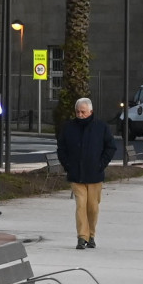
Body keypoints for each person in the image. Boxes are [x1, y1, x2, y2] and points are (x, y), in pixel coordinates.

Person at [56, 97, 117, 249]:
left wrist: (101, 164)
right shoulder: (69, 127)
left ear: (90, 111)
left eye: (83, 112)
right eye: (77, 112)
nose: (80, 115)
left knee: (93, 207)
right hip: (76, 174)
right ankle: (82, 237)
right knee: (80, 205)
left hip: (95, 175)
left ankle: (91, 235)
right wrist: (67, 165)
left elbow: (111, 147)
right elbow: (61, 148)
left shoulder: (101, 127)